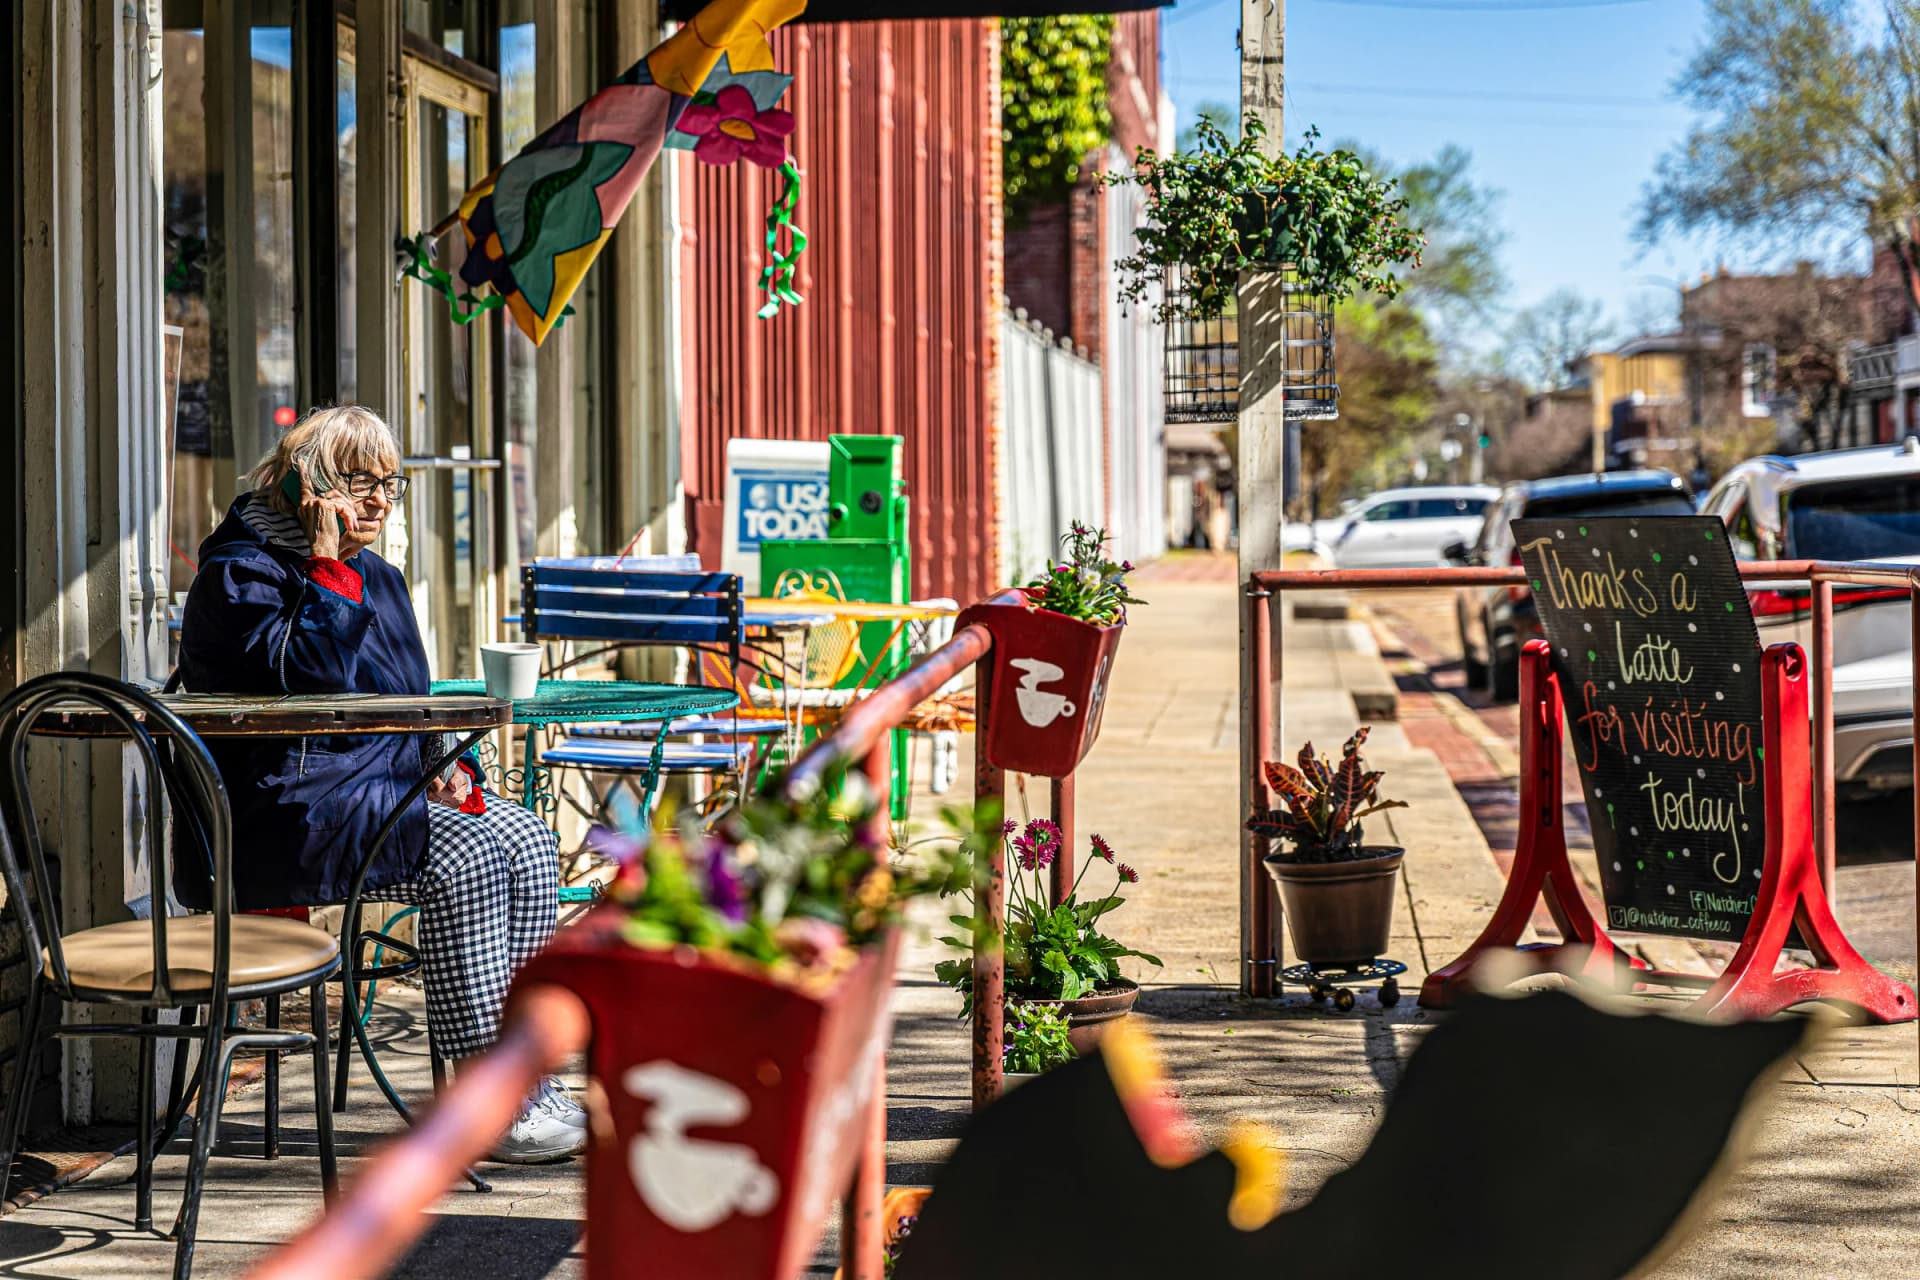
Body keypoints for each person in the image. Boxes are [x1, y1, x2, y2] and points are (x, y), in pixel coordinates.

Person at [177, 405, 584, 1163]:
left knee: (525, 836)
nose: (377, 503)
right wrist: (327, 568)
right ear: (305, 485)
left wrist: (447, 769)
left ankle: (525, 1076)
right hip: (288, 809)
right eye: (357, 483)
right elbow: (314, 680)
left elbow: (411, 696)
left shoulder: (381, 579)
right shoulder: (238, 575)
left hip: (372, 792)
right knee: (464, 858)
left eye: (388, 487)